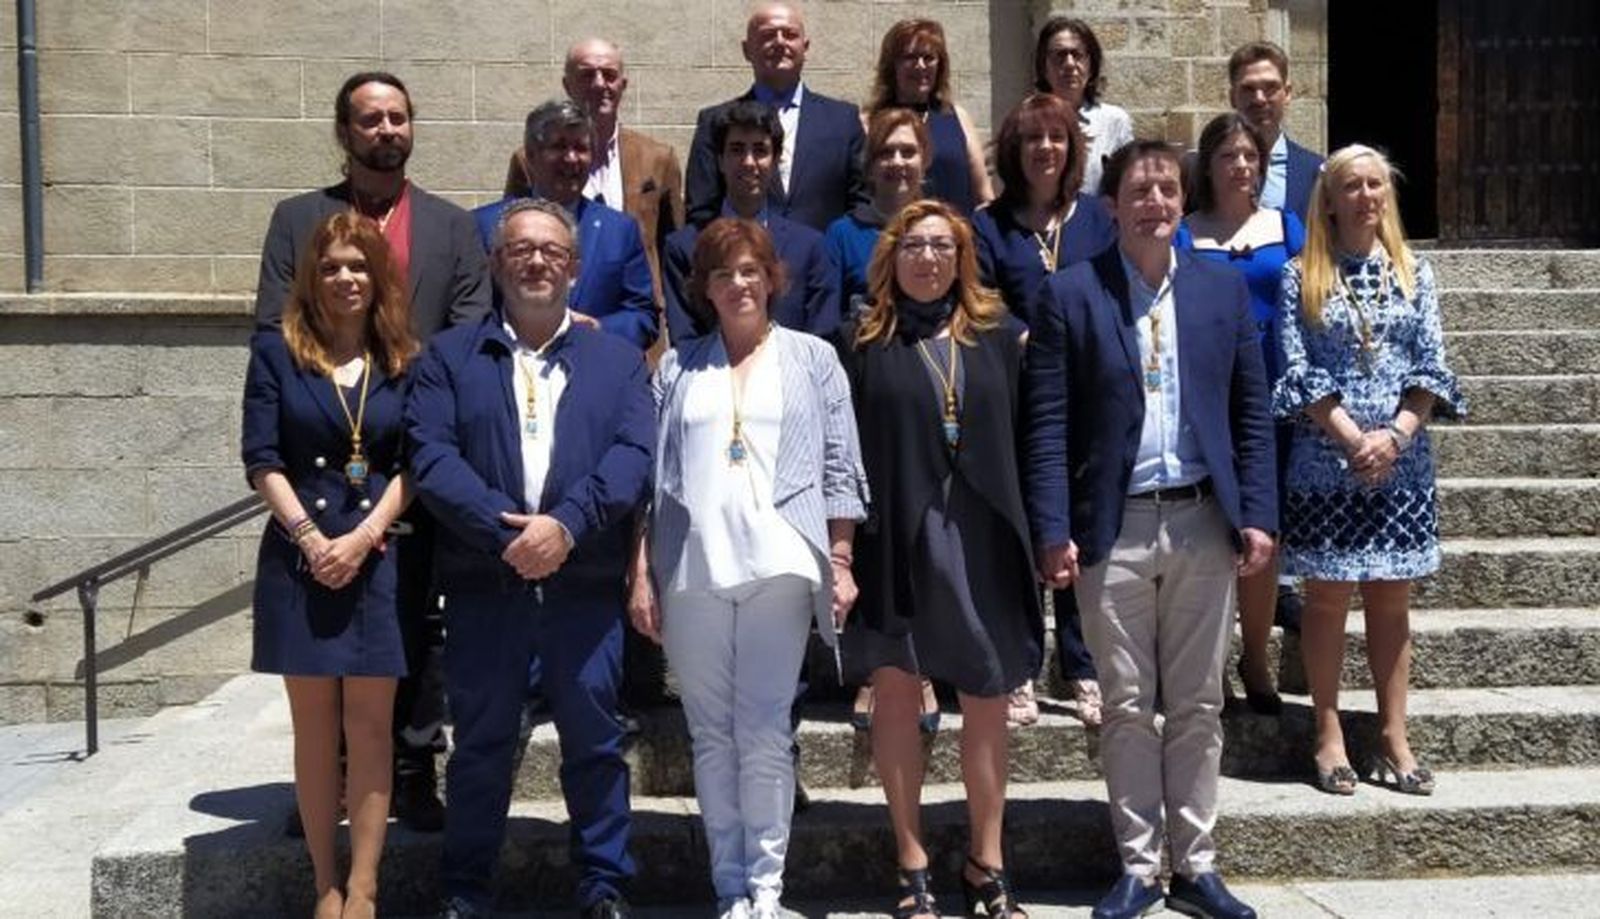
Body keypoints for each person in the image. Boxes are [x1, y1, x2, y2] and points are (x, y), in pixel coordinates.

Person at [1025, 141, 1276, 919]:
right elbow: (1047, 424)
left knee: (1199, 702)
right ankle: (1138, 865)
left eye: (1167, 188)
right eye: (1139, 190)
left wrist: (1258, 513)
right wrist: (1052, 528)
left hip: (1203, 519)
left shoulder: (1220, 289)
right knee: (1128, 705)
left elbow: (1251, 411)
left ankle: (1196, 863)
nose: (1155, 202)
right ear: (1111, 206)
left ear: (1182, 201)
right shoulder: (1072, 293)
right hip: (1116, 527)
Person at [253, 70, 490, 834]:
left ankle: (413, 771)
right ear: (344, 132)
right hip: (325, 445)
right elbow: (273, 323)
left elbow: (468, 330)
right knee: (325, 629)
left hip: (417, 450)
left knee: (417, 617)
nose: (386, 130)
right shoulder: (298, 219)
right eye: (370, 119)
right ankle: (331, 782)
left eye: (397, 117)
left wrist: (409, 386)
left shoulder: (452, 227)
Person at [406, 199, 653, 919]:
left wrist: (567, 527)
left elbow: (634, 454)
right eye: (520, 249)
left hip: (584, 588)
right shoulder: (449, 357)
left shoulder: (616, 361)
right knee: (482, 746)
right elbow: (431, 454)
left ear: (573, 267)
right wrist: (505, 534)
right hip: (486, 587)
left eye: (551, 250)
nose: (536, 260)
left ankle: (604, 885)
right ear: (496, 263)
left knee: (596, 743)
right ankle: (465, 890)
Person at [629, 219, 868, 919]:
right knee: (710, 733)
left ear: (771, 279)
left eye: (749, 270)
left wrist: (842, 557)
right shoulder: (677, 368)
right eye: (722, 273)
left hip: (781, 566)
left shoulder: (813, 359)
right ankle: (728, 885)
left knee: (764, 730)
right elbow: (651, 483)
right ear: (703, 288)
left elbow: (840, 466)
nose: (738, 283)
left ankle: (767, 888)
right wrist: (640, 571)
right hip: (692, 568)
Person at [839, 199, 1043, 919]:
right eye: (914, 245)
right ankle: (912, 860)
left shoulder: (1002, 337)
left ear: (962, 259)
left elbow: (1033, 436)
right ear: (890, 257)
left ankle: (987, 860)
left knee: (988, 688)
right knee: (898, 686)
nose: (928, 258)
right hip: (897, 533)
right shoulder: (860, 342)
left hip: (983, 531)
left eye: (941, 246)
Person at [242, 212, 420, 919]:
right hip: (301, 560)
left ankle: (366, 885)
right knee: (315, 732)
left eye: (358, 265)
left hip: (378, 558)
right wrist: (313, 538)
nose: (346, 277)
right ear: (310, 279)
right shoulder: (277, 352)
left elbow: (415, 462)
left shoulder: (405, 357)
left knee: (371, 729)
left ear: (379, 277)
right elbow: (262, 458)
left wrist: (364, 536)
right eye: (331, 266)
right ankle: (326, 884)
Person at [1274, 144, 1465, 797]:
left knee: (1390, 597)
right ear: (1328, 199)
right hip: (1326, 458)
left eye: (1374, 184)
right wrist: (1356, 439)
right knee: (1327, 598)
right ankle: (1328, 733)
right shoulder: (1300, 275)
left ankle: (1393, 734)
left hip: (1399, 464)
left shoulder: (1415, 272)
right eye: (1351, 186)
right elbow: (1298, 368)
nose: (1365, 196)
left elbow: (1431, 365)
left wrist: (1396, 435)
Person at [972, 91, 1115, 727]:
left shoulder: (1097, 221)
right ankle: (1021, 667)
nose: (1045, 149)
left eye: (1056, 138)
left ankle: (1083, 666)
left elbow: (1114, 292)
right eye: (1032, 139)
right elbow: (978, 299)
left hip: (1085, 395)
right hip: (1017, 391)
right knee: (1023, 525)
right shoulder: (989, 225)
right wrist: (1024, 336)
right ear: (1014, 149)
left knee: (1077, 526)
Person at [1175, 112, 1307, 716]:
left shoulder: (1286, 226)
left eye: (1250, 155)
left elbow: (1311, 299)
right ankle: (1213, 663)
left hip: (1272, 394)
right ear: (1208, 165)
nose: (1241, 166)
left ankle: (1255, 657)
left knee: (1263, 532)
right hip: (1209, 396)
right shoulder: (1185, 233)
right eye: (1228, 155)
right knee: (1211, 536)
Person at [503, 38, 685, 317]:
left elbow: (674, 250)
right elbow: (510, 236)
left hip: (634, 323)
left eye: (609, 75)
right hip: (548, 318)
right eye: (587, 75)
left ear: (623, 85)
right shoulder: (529, 162)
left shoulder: (659, 158)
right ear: (567, 85)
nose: (600, 84)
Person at [476, 99, 657, 350]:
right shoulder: (483, 226)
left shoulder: (619, 231)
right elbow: (467, 313)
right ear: (531, 155)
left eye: (580, 148)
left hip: (591, 365)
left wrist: (597, 329)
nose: (571, 158)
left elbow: (643, 316)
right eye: (559, 146)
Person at [662, 101, 840, 342]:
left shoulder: (811, 249)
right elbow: (686, 341)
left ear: (776, 160)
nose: (748, 162)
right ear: (720, 160)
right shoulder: (684, 248)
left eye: (760, 150)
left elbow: (822, 340)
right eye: (737, 150)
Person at [686, 1, 867, 231]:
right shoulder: (714, 121)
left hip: (823, 253)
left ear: (805, 47)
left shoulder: (843, 121)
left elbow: (862, 204)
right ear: (746, 50)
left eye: (790, 35)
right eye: (767, 35)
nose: (780, 42)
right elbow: (702, 210)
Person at [864, 18, 993, 214]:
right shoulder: (870, 121)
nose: (920, 65)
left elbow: (984, 194)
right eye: (910, 57)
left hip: (956, 231)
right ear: (892, 65)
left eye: (928, 58)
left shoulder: (957, 116)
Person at [823, 108, 932, 312]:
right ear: (870, 165)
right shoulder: (842, 235)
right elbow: (829, 316)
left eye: (908, 152)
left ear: (925, 161)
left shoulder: (945, 231)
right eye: (886, 152)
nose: (897, 162)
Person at [1032, 17, 1134, 198]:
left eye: (1077, 54)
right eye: (1059, 55)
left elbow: (1127, 184)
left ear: (1091, 65)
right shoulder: (1028, 120)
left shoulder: (1114, 121)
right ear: (1043, 65)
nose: (1069, 64)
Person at [1228, 41, 1324, 225]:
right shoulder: (1204, 170)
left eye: (1270, 87)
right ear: (1232, 97)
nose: (1259, 99)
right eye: (1248, 89)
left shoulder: (1316, 172)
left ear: (1287, 93)